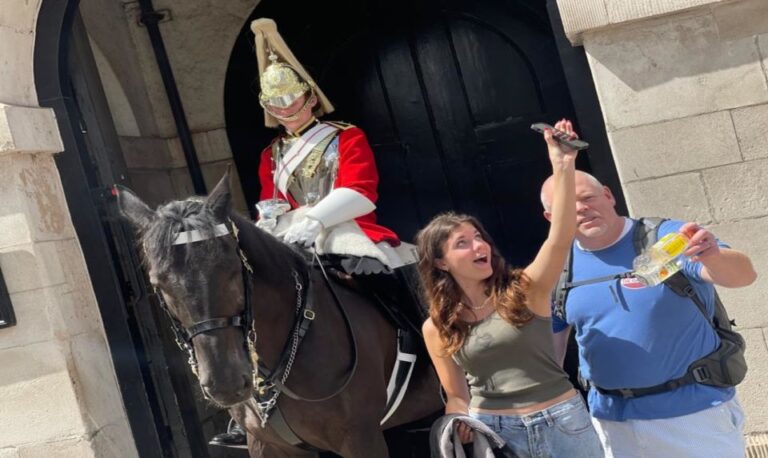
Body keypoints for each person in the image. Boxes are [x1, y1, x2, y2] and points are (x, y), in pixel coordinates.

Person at [210, 18, 418, 449]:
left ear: (308, 96)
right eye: (276, 101)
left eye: (292, 97)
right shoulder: (272, 154)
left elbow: (361, 190)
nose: (286, 108)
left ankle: (427, 351)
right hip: (289, 234)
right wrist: (269, 223)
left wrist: (316, 219)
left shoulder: (344, 137)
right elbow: (272, 199)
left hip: (343, 226)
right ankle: (252, 407)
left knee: (385, 278)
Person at [417, 119, 604, 457]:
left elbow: (560, 237)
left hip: (563, 421)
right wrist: (456, 422)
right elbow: (457, 394)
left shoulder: (525, 289)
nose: (479, 247)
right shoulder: (438, 325)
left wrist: (562, 165)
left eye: (479, 238)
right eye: (463, 243)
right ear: (441, 262)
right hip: (496, 433)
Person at [540, 170, 757, 457]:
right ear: (551, 219)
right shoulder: (558, 271)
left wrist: (713, 256)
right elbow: (547, 359)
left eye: (588, 197)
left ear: (608, 195)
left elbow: (743, 276)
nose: (581, 208)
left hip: (694, 417)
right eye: (568, 205)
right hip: (611, 424)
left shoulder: (664, 238)